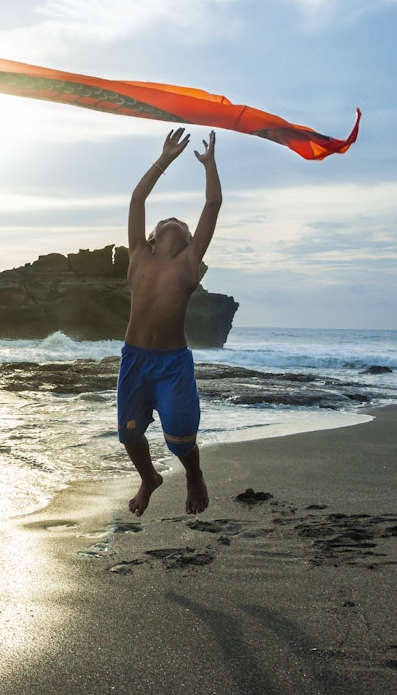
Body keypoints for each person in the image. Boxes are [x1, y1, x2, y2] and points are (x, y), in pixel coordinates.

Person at [119, 128, 219, 517]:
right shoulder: (137, 257)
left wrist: (209, 165)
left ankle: (194, 475)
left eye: (180, 221)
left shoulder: (189, 264)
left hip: (173, 365)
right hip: (136, 361)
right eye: (167, 220)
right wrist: (165, 159)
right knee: (129, 433)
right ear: (154, 237)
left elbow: (212, 203)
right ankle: (149, 478)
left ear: (190, 239)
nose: (174, 219)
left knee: (180, 437)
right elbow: (137, 198)